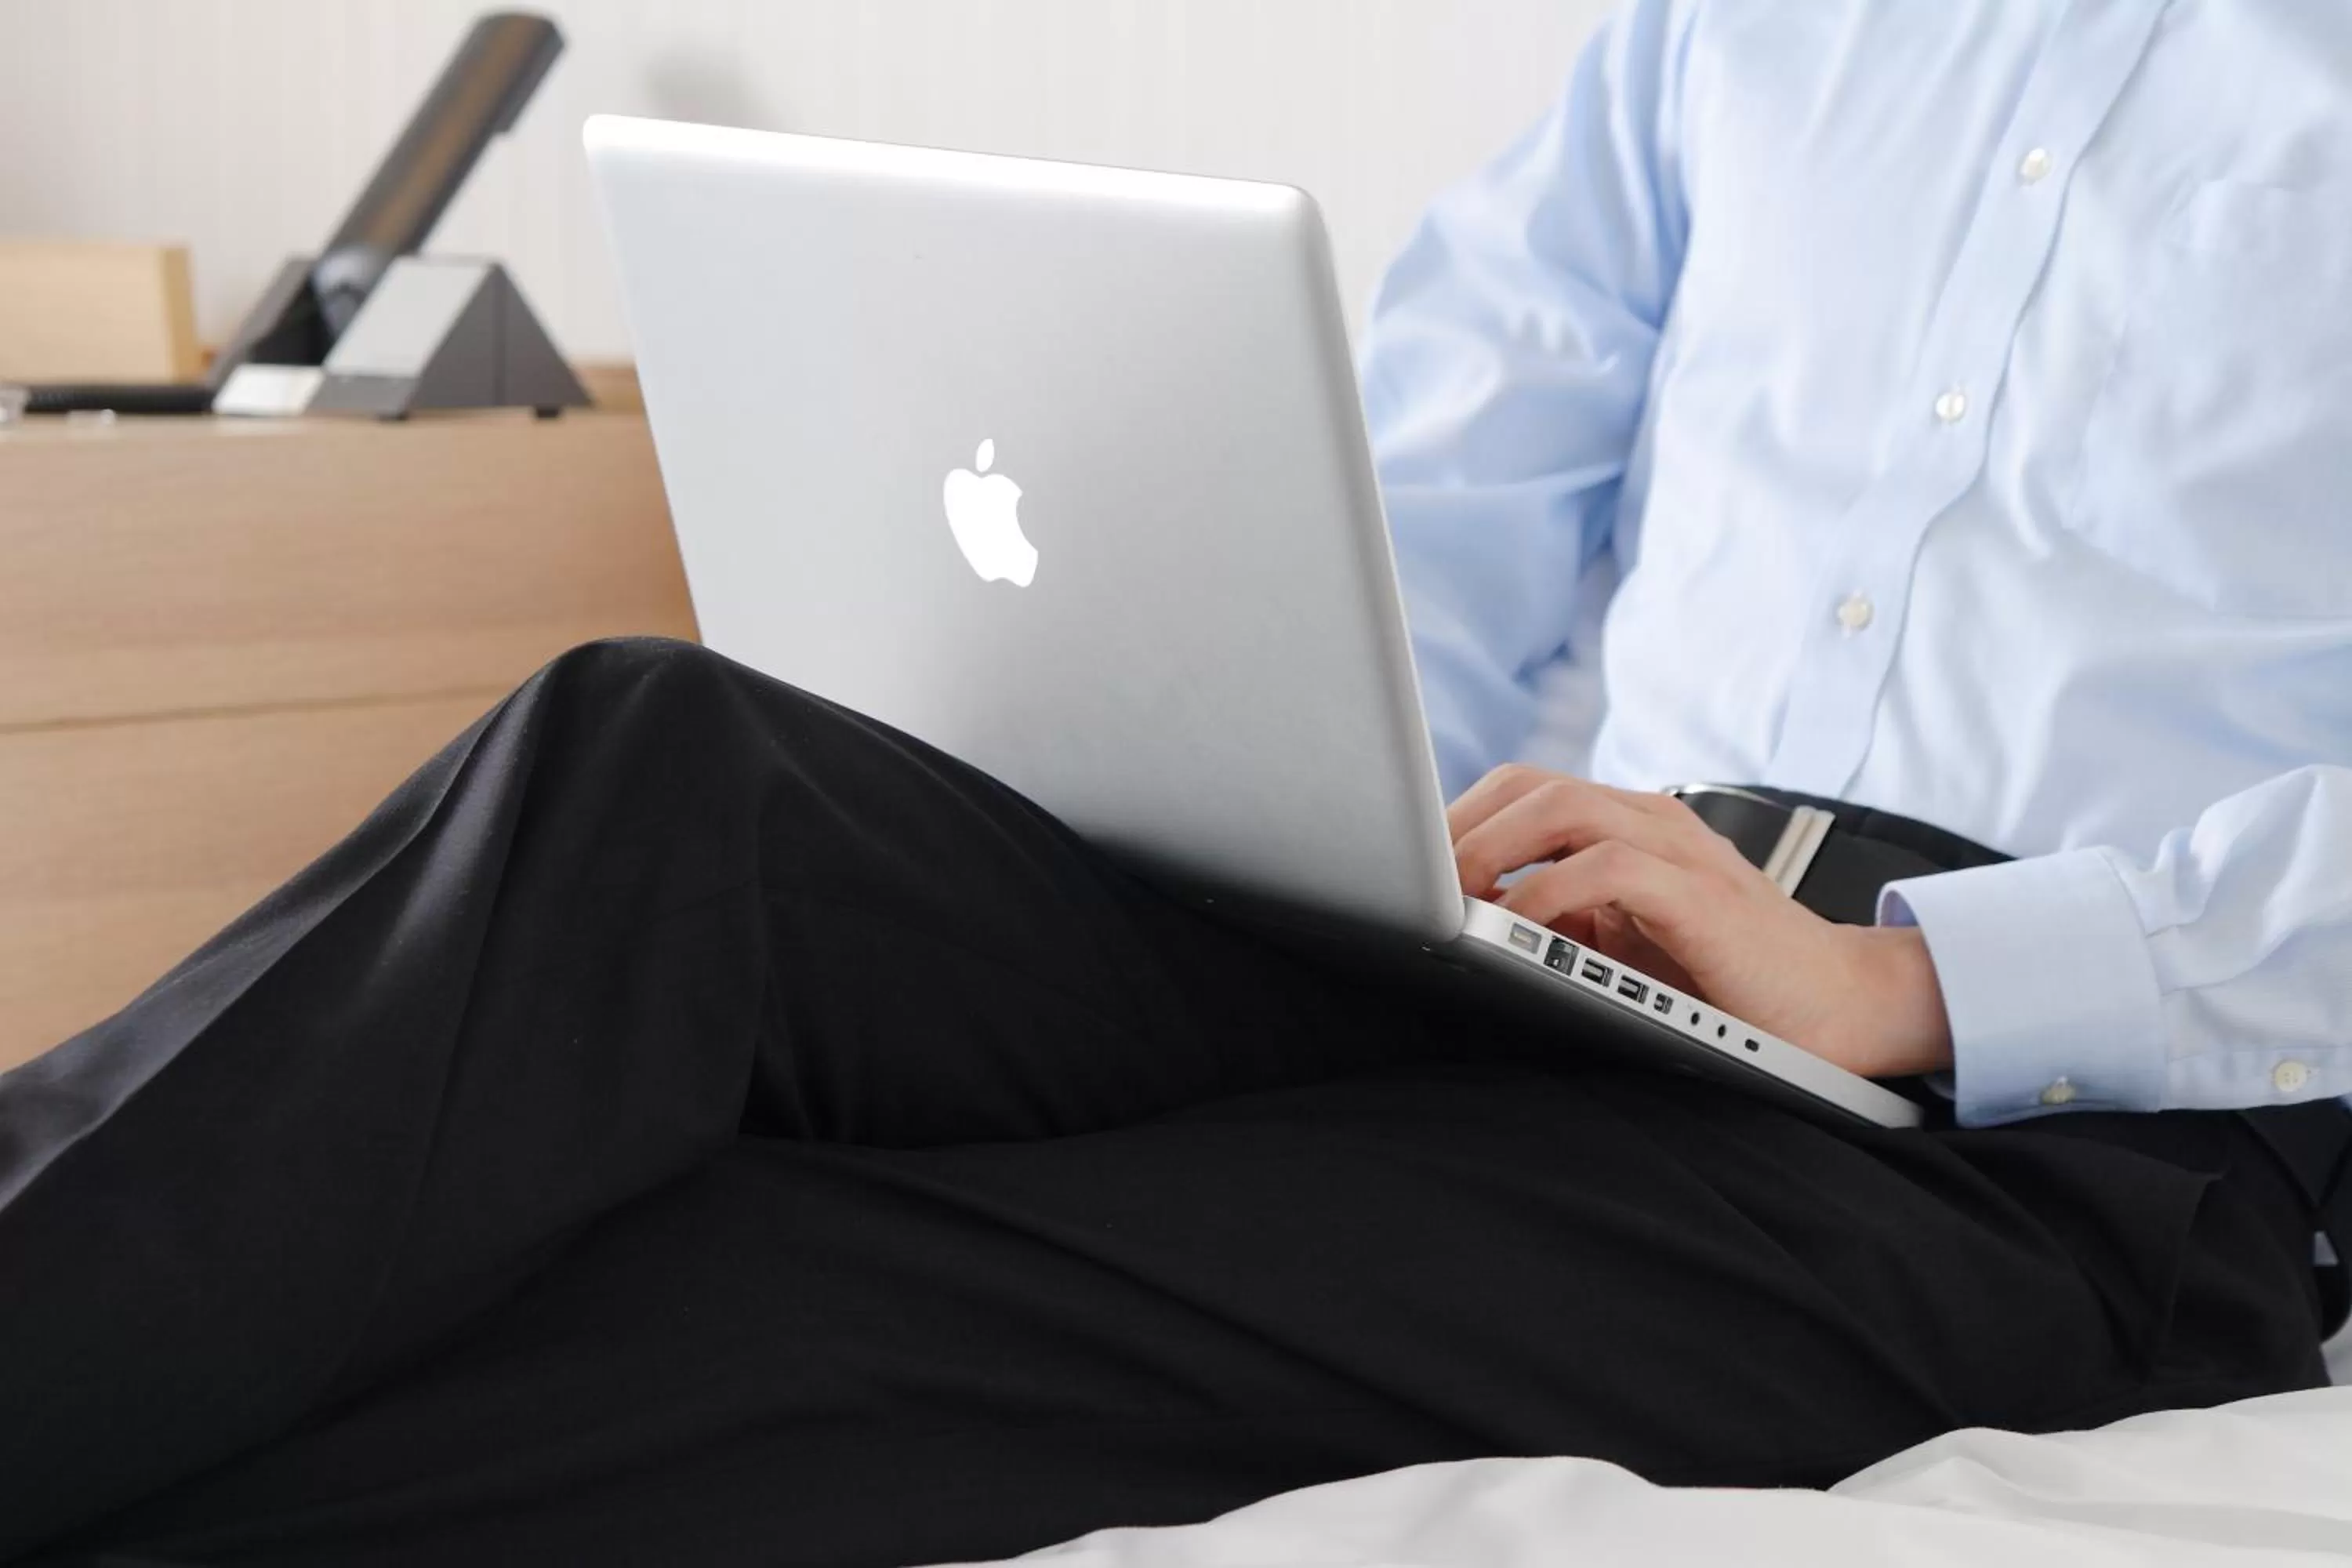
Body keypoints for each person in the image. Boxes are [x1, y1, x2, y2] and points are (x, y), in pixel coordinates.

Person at [3, 2, 2347, 1564]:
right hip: (1582, 918)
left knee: (775, 1293)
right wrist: (1241, 796)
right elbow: (1436, 491)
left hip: (2063, 1126)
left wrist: (1897, 981)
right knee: (662, 764)